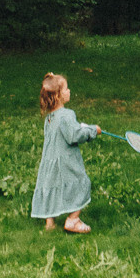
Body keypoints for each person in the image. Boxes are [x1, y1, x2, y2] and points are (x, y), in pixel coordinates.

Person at [31, 72, 100, 233]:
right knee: (82, 183)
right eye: (66, 89)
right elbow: (74, 136)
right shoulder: (67, 115)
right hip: (66, 162)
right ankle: (73, 220)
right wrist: (93, 131)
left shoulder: (50, 118)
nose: (69, 92)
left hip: (49, 162)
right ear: (58, 96)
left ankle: (50, 224)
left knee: (51, 187)